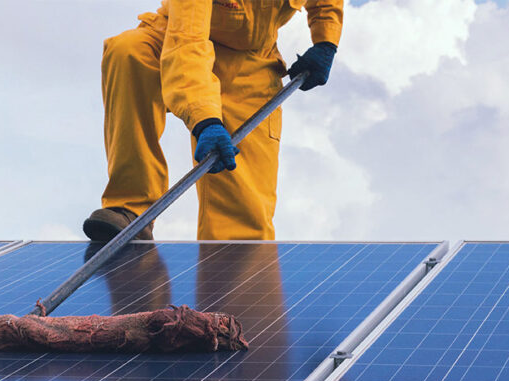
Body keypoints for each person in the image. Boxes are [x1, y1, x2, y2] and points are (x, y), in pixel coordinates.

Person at [82, 0, 343, 242]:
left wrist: (326, 38)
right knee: (129, 51)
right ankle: (131, 208)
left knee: (242, 227)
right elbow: (188, 41)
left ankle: (234, 278)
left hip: (251, 61)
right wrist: (204, 119)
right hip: (175, 38)